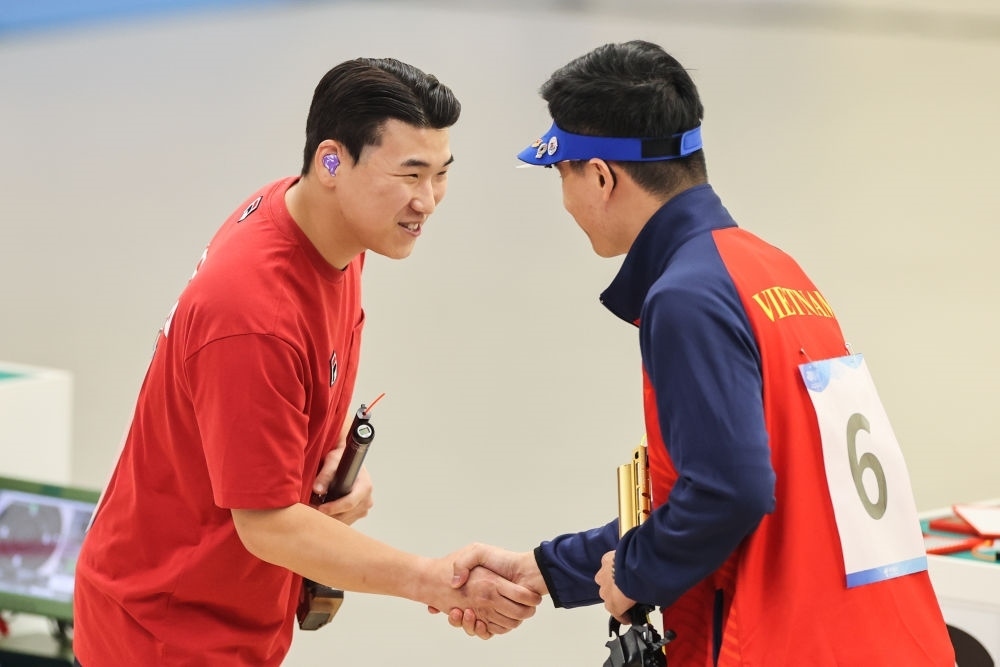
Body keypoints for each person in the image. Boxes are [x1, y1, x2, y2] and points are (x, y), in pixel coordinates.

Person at [448, 40, 955, 665]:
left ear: (601, 177)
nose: (565, 199)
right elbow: (739, 492)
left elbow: (728, 492)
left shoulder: (686, 297)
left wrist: (636, 572)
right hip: (878, 637)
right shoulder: (774, 272)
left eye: (562, 174)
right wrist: (546, 570)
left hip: (785, 646)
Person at [73, 57, 541, 666]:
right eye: (409, 174)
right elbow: (267, 524)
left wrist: (334, 458)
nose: (427, 201)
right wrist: (435, 580)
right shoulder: (252, 313)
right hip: (165, 634)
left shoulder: (329, 230)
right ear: (331, 162)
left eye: (441, 174)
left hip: (234, 615)